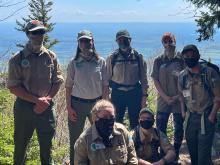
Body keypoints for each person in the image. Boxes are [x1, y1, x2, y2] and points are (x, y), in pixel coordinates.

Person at [7, 20, 64, 165]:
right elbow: (13, 86)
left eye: (42, 32)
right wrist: (36, 101)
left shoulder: (51, 56)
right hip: (25, 108)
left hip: (46, 107)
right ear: (27, 34)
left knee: (47, 147)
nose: (39, 35)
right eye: (35, 33)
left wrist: (47, 99)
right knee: (21, 145)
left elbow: (58, 81)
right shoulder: (17, 59)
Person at [65, 30, 109, 165]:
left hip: (96, 105)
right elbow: (68, 87)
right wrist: (69, 107)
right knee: (75, 139)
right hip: (77, 104)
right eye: (82, 41)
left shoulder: (101, 62)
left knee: (100, 137)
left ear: (93, 42)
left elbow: (105, 87)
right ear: (78, 44)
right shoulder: (73, 62)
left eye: (88, 40)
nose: (85, 44)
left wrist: (104, 107)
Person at [178, 44, 220, 165]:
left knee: (203, 156)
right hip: (190, 118)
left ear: (198, 56)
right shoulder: (182, 76)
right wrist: (183, 112)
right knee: (193, 153)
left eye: (192, 56)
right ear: (183, 58)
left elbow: (218, 97)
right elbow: (182, 96)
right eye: (186, 56)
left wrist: (212, 116)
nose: (189, 58)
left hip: (206, 117)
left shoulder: (209, 73)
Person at [151, 32, 184, 160]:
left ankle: (175, 152)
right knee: (160, 128)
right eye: (165, 42)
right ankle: (163, 153)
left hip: (179, 100)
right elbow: (155, 80)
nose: (168, 44)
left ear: (175, 42)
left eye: (170, 41)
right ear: (162, 44)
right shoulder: (158, 61)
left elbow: (187, 79)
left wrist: (177, 96)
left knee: (179, 127)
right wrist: (165, 97)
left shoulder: (181, 59)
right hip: (163, 100)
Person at [106, 29, 148, 129]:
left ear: (130, 40)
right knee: (116, 121)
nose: (122, 42)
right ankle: (118, 143)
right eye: (119, 40)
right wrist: (106, 99)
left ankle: (134, 143)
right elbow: (106, 80)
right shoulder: (112, 58)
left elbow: (144, 79)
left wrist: (144, 97)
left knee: (135, 122)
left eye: (125, 39)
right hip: (117, 93)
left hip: (134, 93)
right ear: (116, 42)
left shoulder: (138, 57)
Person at [74, 99, 138, 165]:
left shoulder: (122, 131)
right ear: (96, 118)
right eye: (105, 117)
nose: (108, 120)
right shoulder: (84, 140)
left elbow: (132, 157)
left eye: (111, 117)